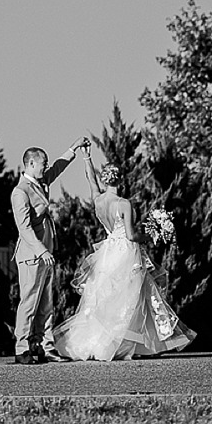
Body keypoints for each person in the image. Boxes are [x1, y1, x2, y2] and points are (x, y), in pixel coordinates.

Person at [53, 144, 196, 361]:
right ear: (121, 180)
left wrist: (87, 157)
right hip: (126, 253)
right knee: (132, 299)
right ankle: (128, 346)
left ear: (105, 179)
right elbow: (131, 235)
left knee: (109, 299)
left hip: (109, 252)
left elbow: (90, 181)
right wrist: (153, 235)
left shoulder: (98, 200)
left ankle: (115, 344)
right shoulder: (124, 203)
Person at [11, 137, 88, 364]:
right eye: (42, 163)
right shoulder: (20, 191)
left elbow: (57, 168)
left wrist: (73, 148)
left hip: (47, 254)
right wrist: (41, 250)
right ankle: (22, 347)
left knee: (46, 303)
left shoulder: (42, 182)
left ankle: (45, 346)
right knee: (29, 302)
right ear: (31, 164)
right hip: (31, 256)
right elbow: (23, 228)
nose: (46, 167)